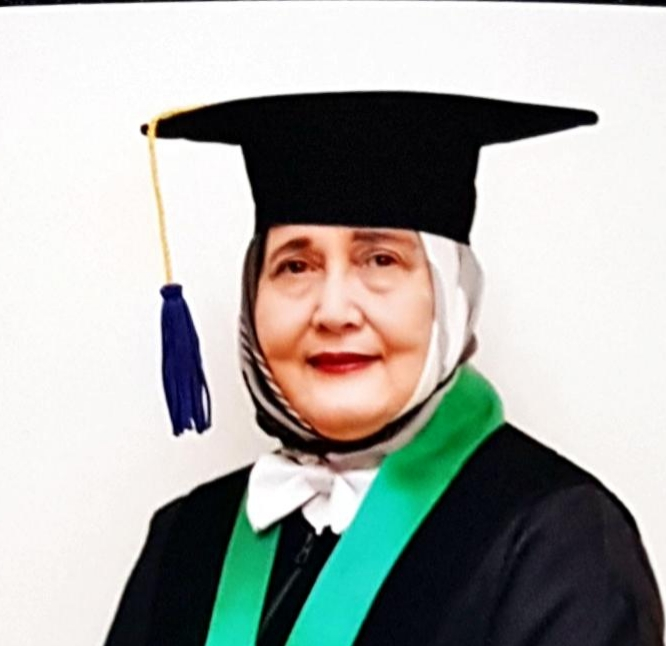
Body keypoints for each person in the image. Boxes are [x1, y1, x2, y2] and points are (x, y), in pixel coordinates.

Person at [105, 92, 664, 646]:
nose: (333, 311)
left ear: (449, 296)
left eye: (380, 260)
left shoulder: (556, 542)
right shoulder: (186, 540)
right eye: (296, 266)